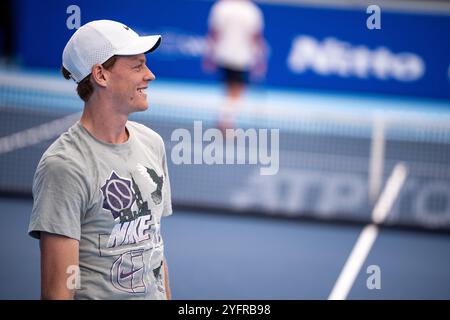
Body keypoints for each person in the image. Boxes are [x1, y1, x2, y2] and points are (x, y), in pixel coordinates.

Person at [28, 20, 173, 300]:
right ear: (101, 75)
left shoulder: (152, 144)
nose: (150, 75)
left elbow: (155, 251)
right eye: (137, 66)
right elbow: (58, 289)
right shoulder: (65, 166)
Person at [204, 0, 266, 132]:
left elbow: (213, 34)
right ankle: (225, 122)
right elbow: (256, 38)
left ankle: (225, 121)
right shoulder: (252, 10)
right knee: (236, 91)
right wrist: (260, 62)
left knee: (229, 90)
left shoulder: (221, 7)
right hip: (241, 59)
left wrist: (209, 56)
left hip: (223, 56)